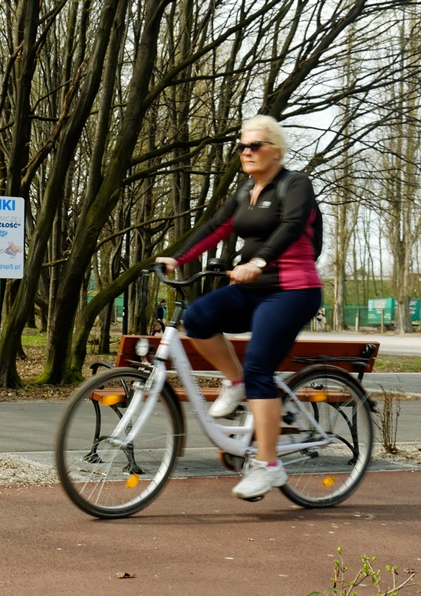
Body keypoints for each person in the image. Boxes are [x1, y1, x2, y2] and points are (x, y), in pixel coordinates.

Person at [155, 115, 322, 500]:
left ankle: (268, 466)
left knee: (261, 368)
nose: (246, 152)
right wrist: (178, 257)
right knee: (198, 317)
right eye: (242, 146)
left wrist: (259, 262)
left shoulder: (296, 184)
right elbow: (215, 226)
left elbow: (292, 226)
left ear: (276, 151)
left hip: (291, 291)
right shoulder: (245, 190)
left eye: (255, 145)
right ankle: (237, 382)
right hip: (250, 288)